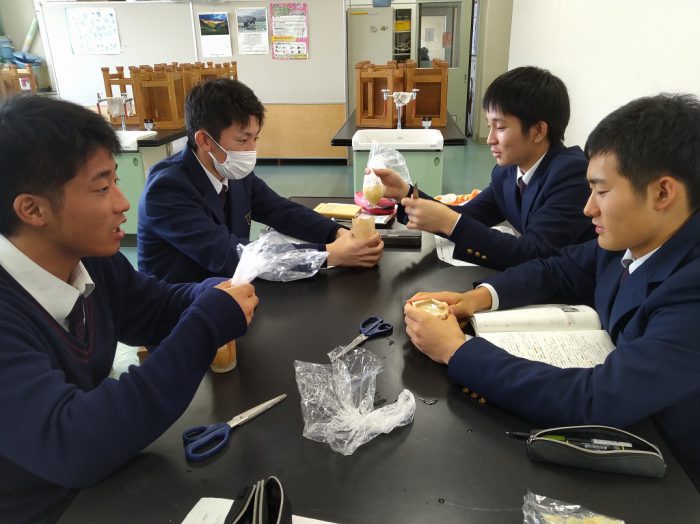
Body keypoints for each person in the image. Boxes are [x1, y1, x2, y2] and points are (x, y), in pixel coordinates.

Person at [403, 93, 700, 486]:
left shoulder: (691, 288)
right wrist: (474, 299)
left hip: (674, 476)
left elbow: (595, 400)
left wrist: (456, 350)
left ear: (663, 193)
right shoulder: (633, 239)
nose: (588, 208)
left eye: (602, 192)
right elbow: (557, 270)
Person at [0, 95, 259, 523]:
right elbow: (73, 443)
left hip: (102, 483)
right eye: (102, 188)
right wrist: (204, 326)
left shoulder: (89, 260)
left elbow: (153, 309)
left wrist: (210, 294)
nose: (123, 202)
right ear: (32, 209)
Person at [138, 78, 383, 284]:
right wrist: (328, 255)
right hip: (181, 309)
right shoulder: (167, 189)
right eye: (242, 140)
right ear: (204, 140)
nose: (251, 150)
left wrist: (337, 233)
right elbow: (228, 255)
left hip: (227, 290)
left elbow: (281, 211)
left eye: (255, 138)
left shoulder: (233, 173)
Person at [374, 66, 595, 270]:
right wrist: (405, 192)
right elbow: (469, 216)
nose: (490, 139)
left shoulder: (572, 175)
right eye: (490, 126)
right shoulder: (507, 172)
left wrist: (451, 222)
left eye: (500, 127)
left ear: (538, 131)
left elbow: (534, 253)